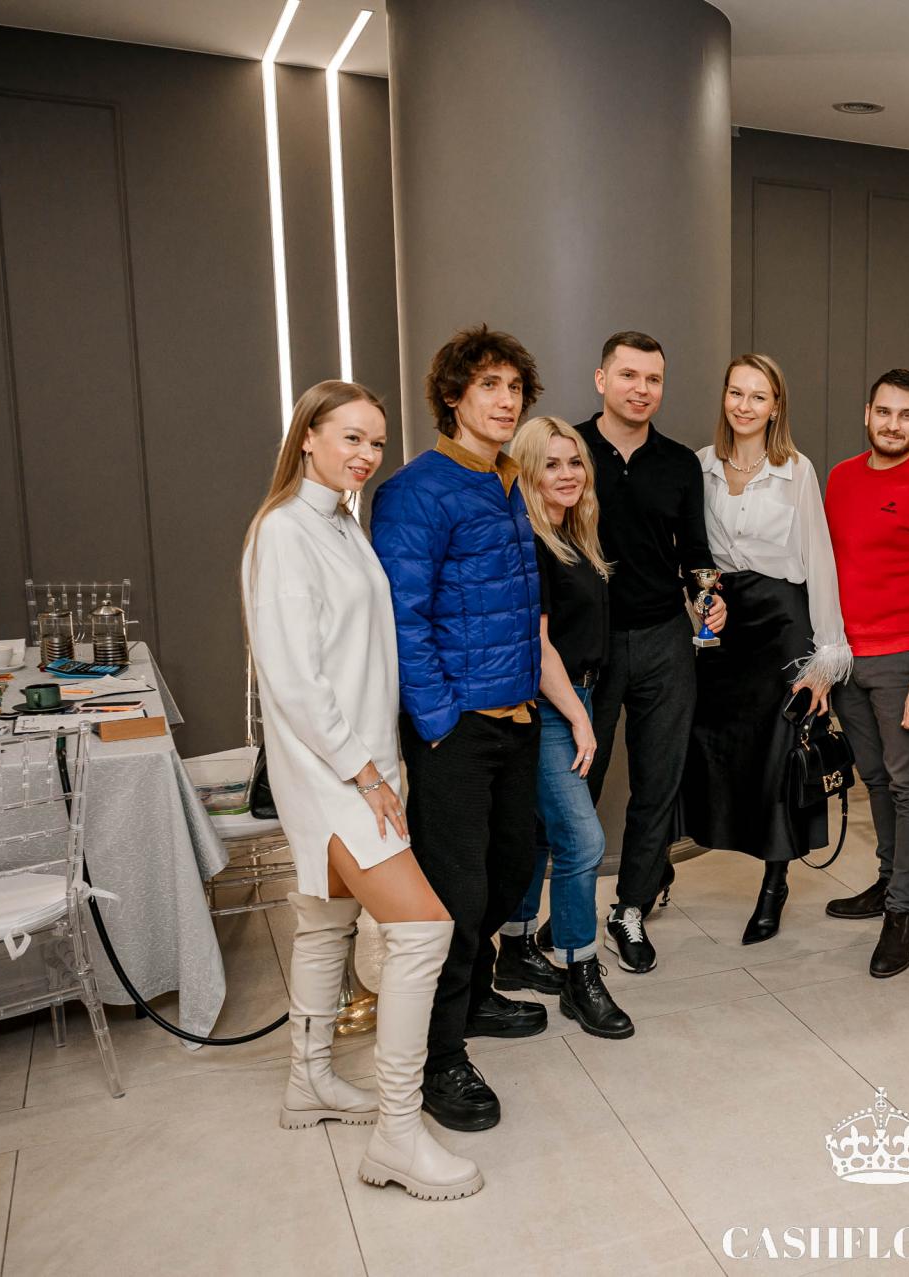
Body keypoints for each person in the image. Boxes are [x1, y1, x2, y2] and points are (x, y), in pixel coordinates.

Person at [244, 379, 481, 1201]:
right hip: (332, 770)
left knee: (326, 921)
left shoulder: (341, 523)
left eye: (377, 441)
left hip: (362, 762)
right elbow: (295, 679)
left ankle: (307, 1081)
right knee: (423, 929)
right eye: (351, 437)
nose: (367, 455)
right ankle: (398, 1133)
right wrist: (366, 770)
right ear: (307, 435)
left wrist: (383, 762)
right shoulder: (284, 531)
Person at [371, 325, 547, 1134]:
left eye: (514, 387)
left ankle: (473, 998)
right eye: (488, 386)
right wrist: (438, 721)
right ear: (453, 396)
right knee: (455, 892)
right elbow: (403, 618)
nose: (505, 401)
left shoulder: (506, 480)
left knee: (511, 868)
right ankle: (439, 1055)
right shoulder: (417, 490)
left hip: (516, 718)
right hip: (458, 729)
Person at [683, 354, 851, 944]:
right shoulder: (699, 466)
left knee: (779, 754)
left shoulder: (796, 470)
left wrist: (826, 657)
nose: (745, 405)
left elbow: (820, 559)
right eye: (737, 392)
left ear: (776, 406)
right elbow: (689, 555)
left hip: (781, 623)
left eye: (759, 396)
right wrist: (695, 604)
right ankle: (658, 870)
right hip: (723, 625)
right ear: (724, 397)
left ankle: (774, 884)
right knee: (708, 744)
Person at [579, 331, 726, 975]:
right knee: (577, 783)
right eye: (629, 375)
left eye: (654, 379)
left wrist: (711, 599)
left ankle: (631, 906)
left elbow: (695, 553)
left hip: (666, 638)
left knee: (658, 782)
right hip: (590, 644)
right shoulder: (570, 452)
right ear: (601, 379)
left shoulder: (678, 463)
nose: (642, 389)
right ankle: (573, 904)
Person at [490, 417, 634, 1039]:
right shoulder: (530, 541)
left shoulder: (574, 535)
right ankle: (581, 972)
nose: (568, 474)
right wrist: (578, 716)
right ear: (527, 471)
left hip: (579, 693)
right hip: (553, 702)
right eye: (551, 464)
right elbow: (539, 645)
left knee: (543, 832)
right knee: (582, 840)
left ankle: (517, 948)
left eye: (574, 462)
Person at [822, 368, 909, 977]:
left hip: (903, 660)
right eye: (884, 412)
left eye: (907, 415)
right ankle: (886, 881)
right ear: (867, 413)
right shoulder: (841, 478)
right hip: (847, 660)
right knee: (873, 779)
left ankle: (903, 912)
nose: (893, 425)